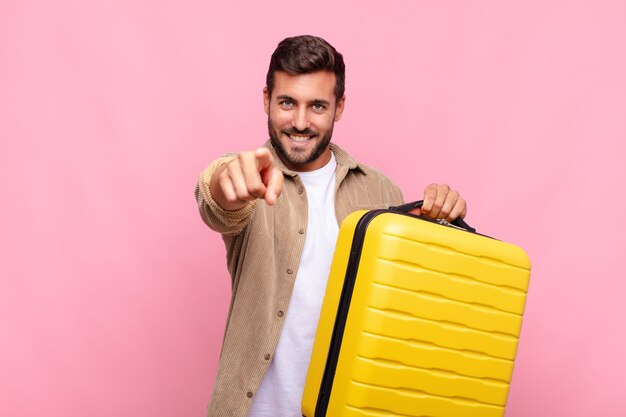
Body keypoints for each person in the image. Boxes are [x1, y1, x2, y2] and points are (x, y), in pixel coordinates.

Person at [195, 35, 467, 417]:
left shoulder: (381, 190)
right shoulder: (250, 176)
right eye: (287, 102)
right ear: (266, 100)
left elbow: (408, 305)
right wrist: (226, 182)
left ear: (339, 107)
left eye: (317, 105)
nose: (300, 122)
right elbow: (217, 201)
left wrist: (440, 227)